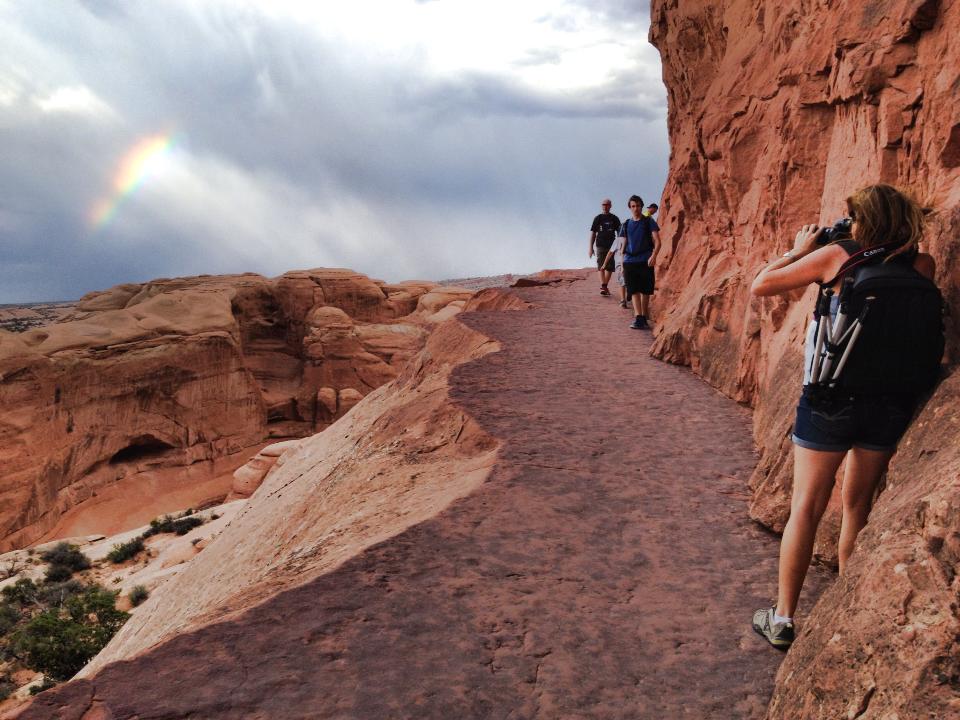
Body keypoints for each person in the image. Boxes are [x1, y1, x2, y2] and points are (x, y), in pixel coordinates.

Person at [749, 184, 939, 649]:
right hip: (890, 404)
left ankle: (783, 617)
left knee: (807, 508)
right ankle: (845, 612)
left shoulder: (836, 255)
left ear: (865, 219)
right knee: (858, 506)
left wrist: (798, 251)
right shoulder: (921, 263)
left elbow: (761, 285)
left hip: (830, 401)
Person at [619, 195, 661, 329]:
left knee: (645, 291)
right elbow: (623, 246)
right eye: (633, 206)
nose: (635, 208)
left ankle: (643, 317)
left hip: (645, 259)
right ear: (629, 208)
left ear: (642, 207)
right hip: (630, 261)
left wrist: (654, 256)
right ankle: (638, 318)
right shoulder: (626, 224)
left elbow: (658, 241)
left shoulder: (648, 221)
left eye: (638, 206)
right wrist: (622, 264)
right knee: (634, 290)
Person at [588, 199, 621, 296]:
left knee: (610, 267)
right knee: (601, 265)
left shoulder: (614, 218)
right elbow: (593, 233)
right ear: (601, 206)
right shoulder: (598, 218)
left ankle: (604, 286)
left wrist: (620, 246)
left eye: (607, 205)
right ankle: (604, 285)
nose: (605, 206)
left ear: (610, 206)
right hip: (600, 244)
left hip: (612, 245)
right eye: (603, 205)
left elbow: (620, 232)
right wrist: (590, 247)